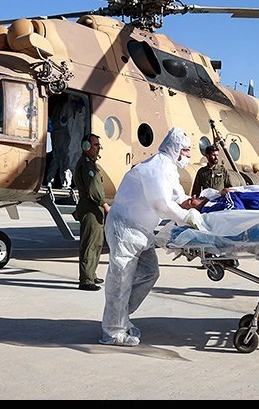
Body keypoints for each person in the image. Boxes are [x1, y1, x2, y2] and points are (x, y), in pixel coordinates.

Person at [100, 126, 204, 346]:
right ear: (175, 148)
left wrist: (194, 204)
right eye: (186, 150)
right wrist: (186, 218)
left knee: (150, 273)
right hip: (125, 229)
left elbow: (177, 196)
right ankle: (113, 332)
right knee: (121, 280)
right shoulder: (157, 167)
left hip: (141, 232)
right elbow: (161, 203)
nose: (188, 155)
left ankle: (120, 317)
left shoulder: (170, 169)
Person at [73, 133, 110, 291]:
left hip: (95, 210)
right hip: (90, 209)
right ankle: (86, 280)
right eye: (95, 145)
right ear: (86, 147)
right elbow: (93, 189)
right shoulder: (87, 165)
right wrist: (105, 205)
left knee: (97, 243)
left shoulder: (91, 164)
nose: (98, 148)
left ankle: (91, 274)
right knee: (89, 244)